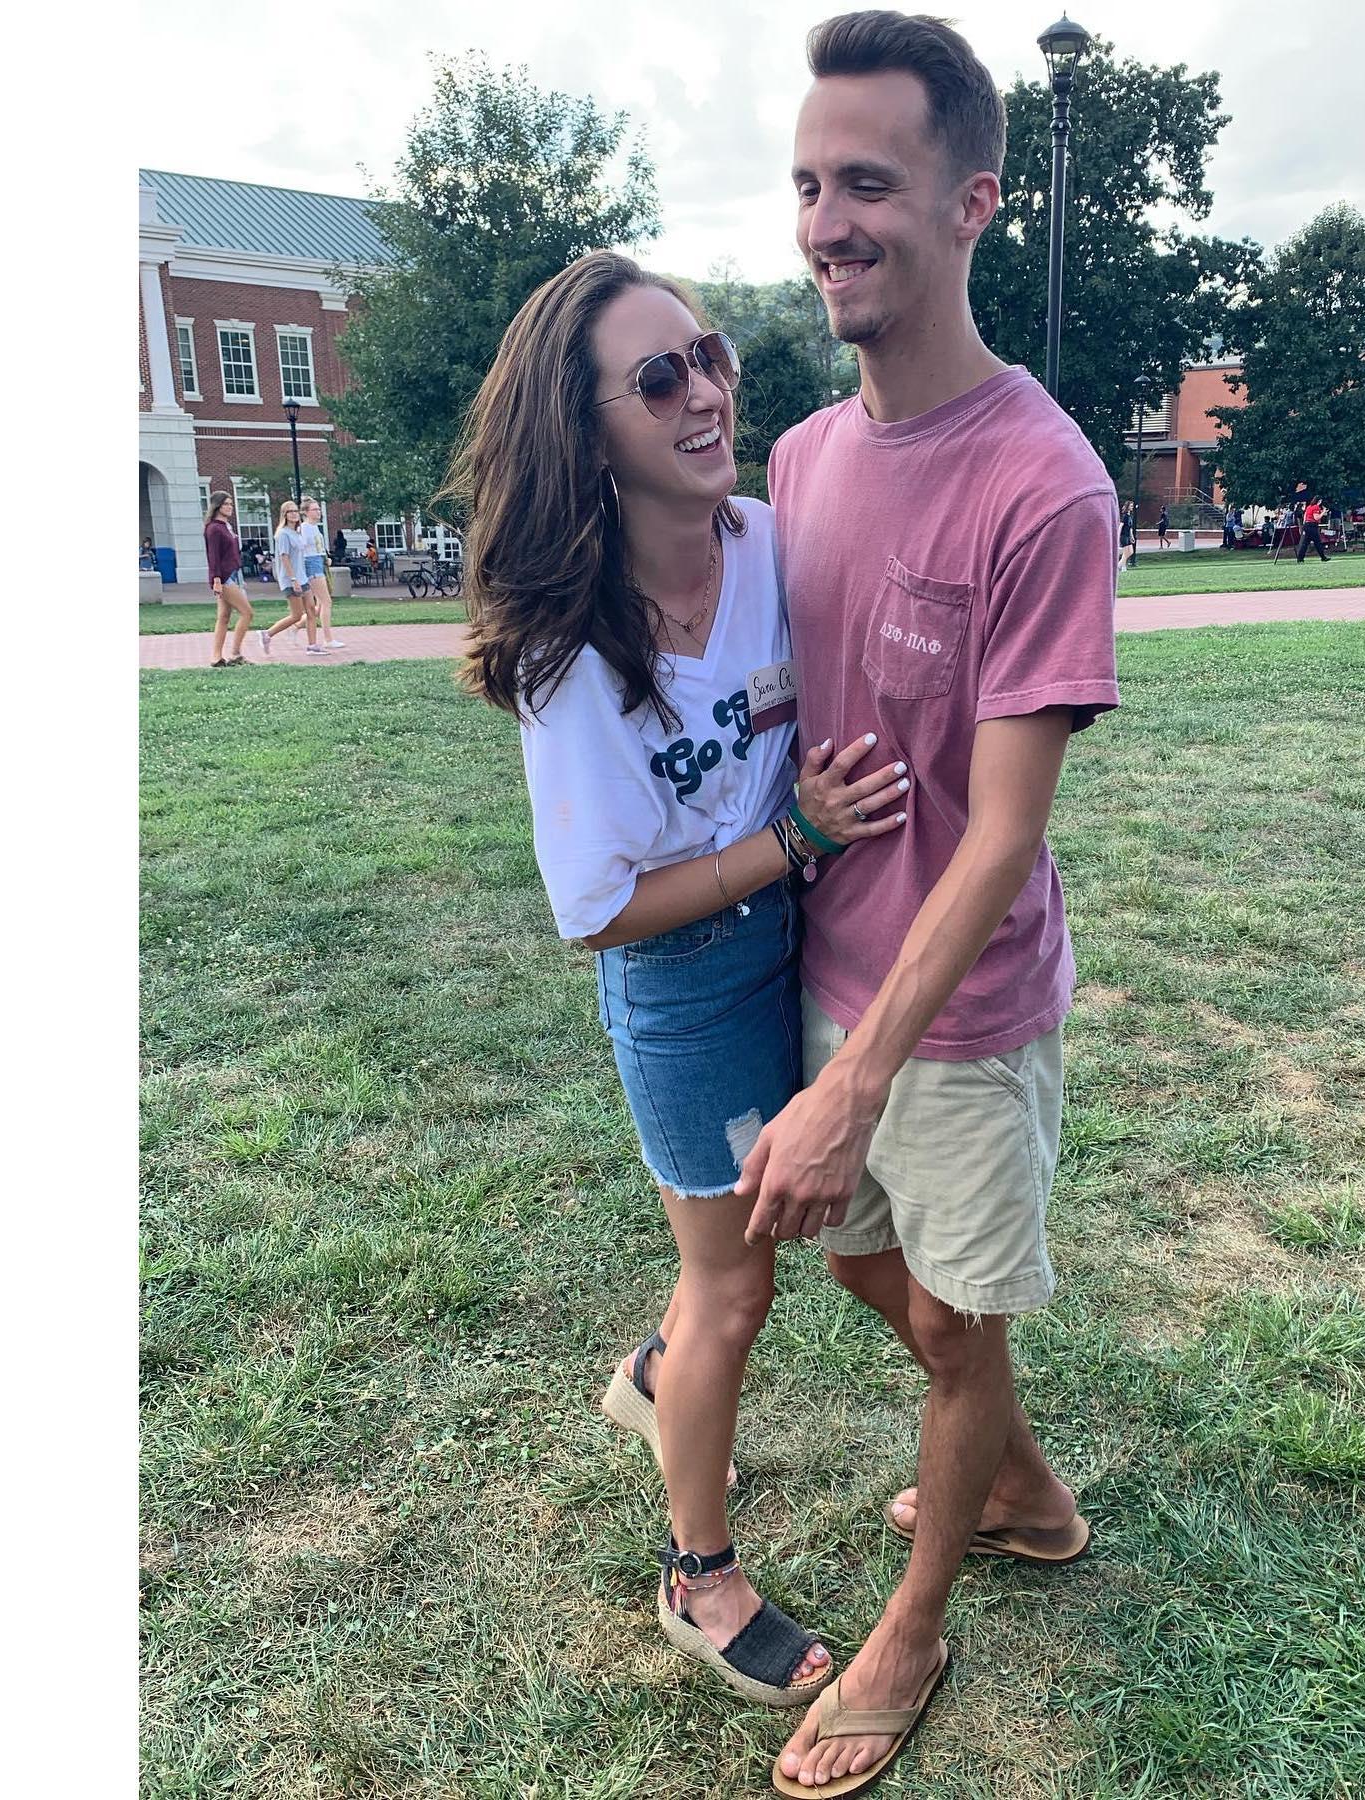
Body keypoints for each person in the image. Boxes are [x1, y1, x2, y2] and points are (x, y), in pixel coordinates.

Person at [450, 250, 918, 1715]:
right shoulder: (565, 645)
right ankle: (696, 1574)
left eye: (709, 355)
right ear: (583, 431)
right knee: (736, 1280)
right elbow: (597, 911)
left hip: (805, 934)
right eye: (658, 378)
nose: (705, 391)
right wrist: (794, 840)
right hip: (683, 979)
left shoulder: (772, 541)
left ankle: (656, 1375)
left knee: (742, 1258)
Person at [753, 14, 1119, 1793]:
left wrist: (857, 1080)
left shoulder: (1045, 484)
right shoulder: (801, 458)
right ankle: (1027, 1490)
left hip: (956, 1012)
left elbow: (1001, 836)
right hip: (821, 958)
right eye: (808, 185)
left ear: (973, 202)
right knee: (853, 1258)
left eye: (869, 184)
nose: (827, 223)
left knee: (962, 1329)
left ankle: (916, 1622)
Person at [260, 500, 321, 655]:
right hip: (291, 580)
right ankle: (267, 634)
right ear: (285, 515)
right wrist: (293, 579)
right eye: (290, 511)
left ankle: (312, 645)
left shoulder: (297, 533)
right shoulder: (283, 534)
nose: (294, 514)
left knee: (311, 610)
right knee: (297, 615)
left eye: (295, 511)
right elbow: (284, 557)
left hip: (303, 577)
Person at [202, 493, 253, 667]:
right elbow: (213, 556)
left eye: (231, 504)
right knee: (247, 612)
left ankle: (216, 657)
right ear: (217, 506)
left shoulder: (226, 526)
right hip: (224, 577)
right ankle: (235, 654)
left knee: (223, 617)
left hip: (234, 573)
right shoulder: (214, 528)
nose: (230, 507)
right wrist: (216, 579)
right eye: (226, 504)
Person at [298, 499, 345, 649]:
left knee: (320, 605)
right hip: (311, 564)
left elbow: (318, 547)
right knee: (326, 602)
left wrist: (325, 558)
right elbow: (301, 549)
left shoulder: (315, 528)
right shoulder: (304, 528)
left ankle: (295, 626)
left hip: (319, 562)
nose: (318, 512)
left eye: (318, 509)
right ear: (306, 512)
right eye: (314, 509)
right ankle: (328, 639)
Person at [1296, 489, 1330, 563]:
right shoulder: (1316, 507)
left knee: (1304, 543)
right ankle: (1323, 557)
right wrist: (1323, 512)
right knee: (1317, 542)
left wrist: (1304, 525)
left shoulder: (1309, 507)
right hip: (1312, 526)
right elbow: (1316, 517)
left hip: (1306, 525)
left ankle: (1300, 558)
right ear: (1319, 501)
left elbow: (1305, 516)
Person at [1117, 499, 1136, 572]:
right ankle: (1121, 567)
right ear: (1127, 507)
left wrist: (1132, 536)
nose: (1132, 507)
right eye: (1131, 506)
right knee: (1125, 553)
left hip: (1128, 536)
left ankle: (1119, 565)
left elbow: (1130, 527)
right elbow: (1120, 526)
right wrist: (1118, 536)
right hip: (1123, 536)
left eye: (1132, 506)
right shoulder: (1125, 516)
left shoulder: (1130, 516)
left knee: (1130, 552)